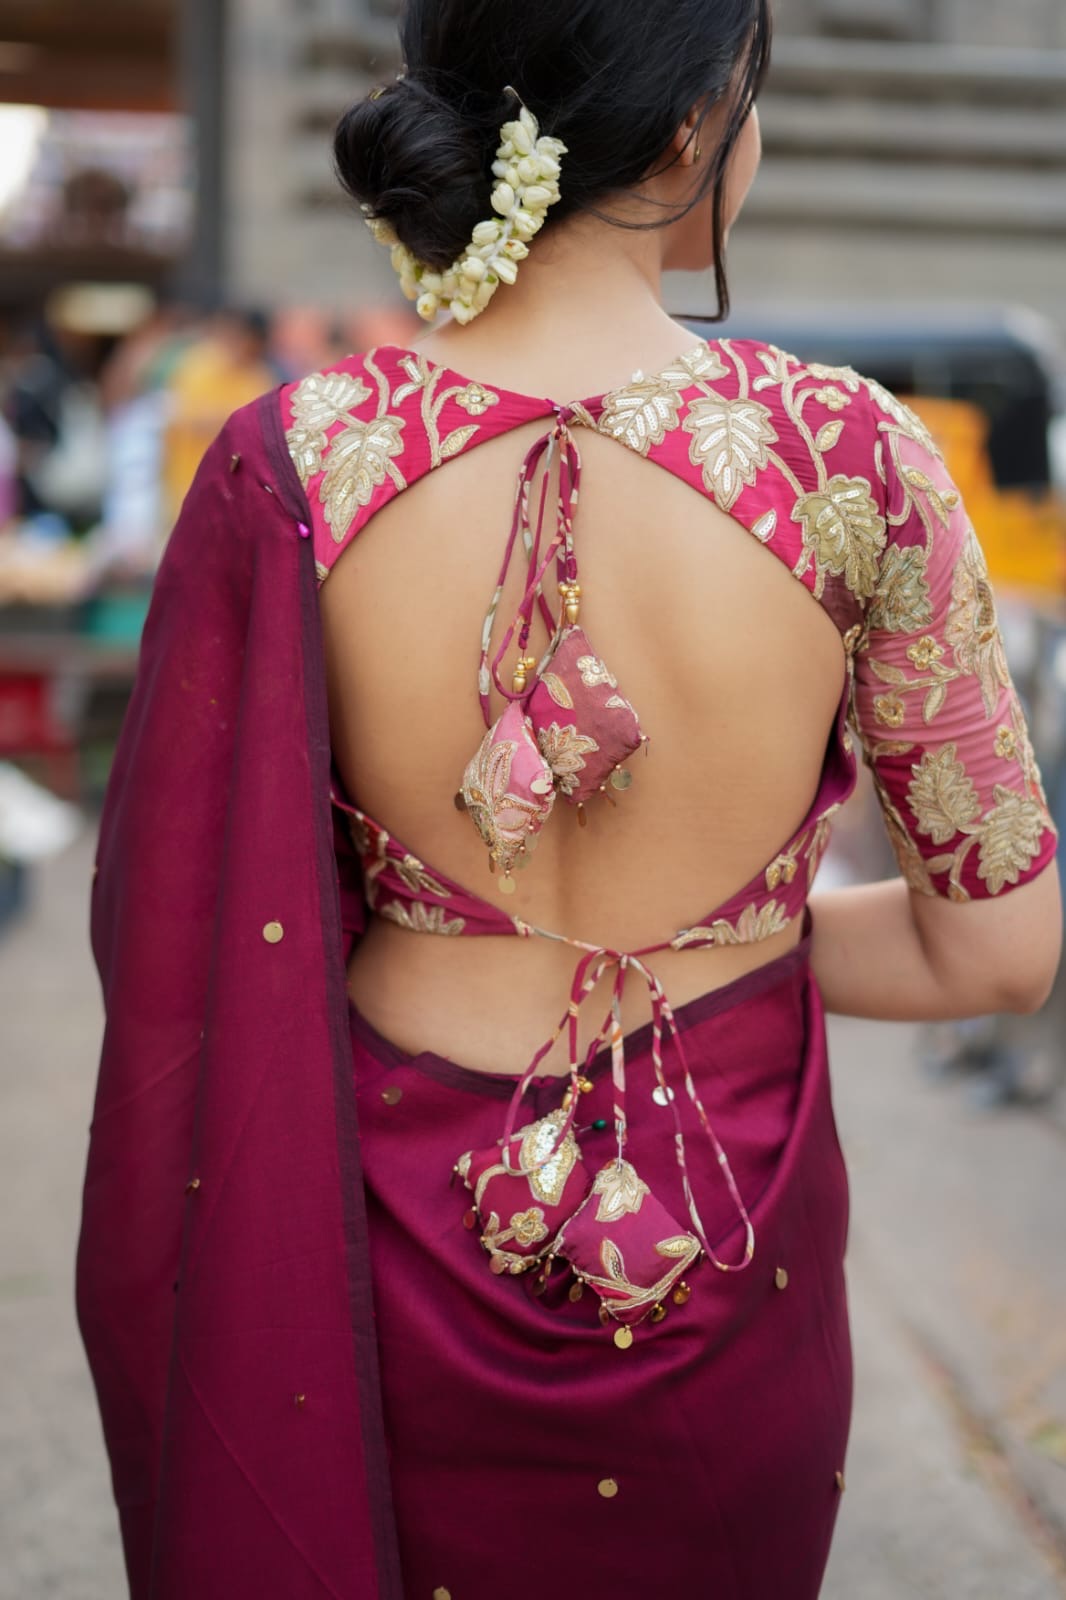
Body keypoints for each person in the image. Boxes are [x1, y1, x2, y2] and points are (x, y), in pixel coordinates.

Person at [76, 3, 1062, 1597]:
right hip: (722, 1226)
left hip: (372, 1248)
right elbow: (997, 957)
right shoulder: (851, 464)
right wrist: (723, 939)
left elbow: (191, 927)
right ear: (692, 128)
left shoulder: (294, 462)